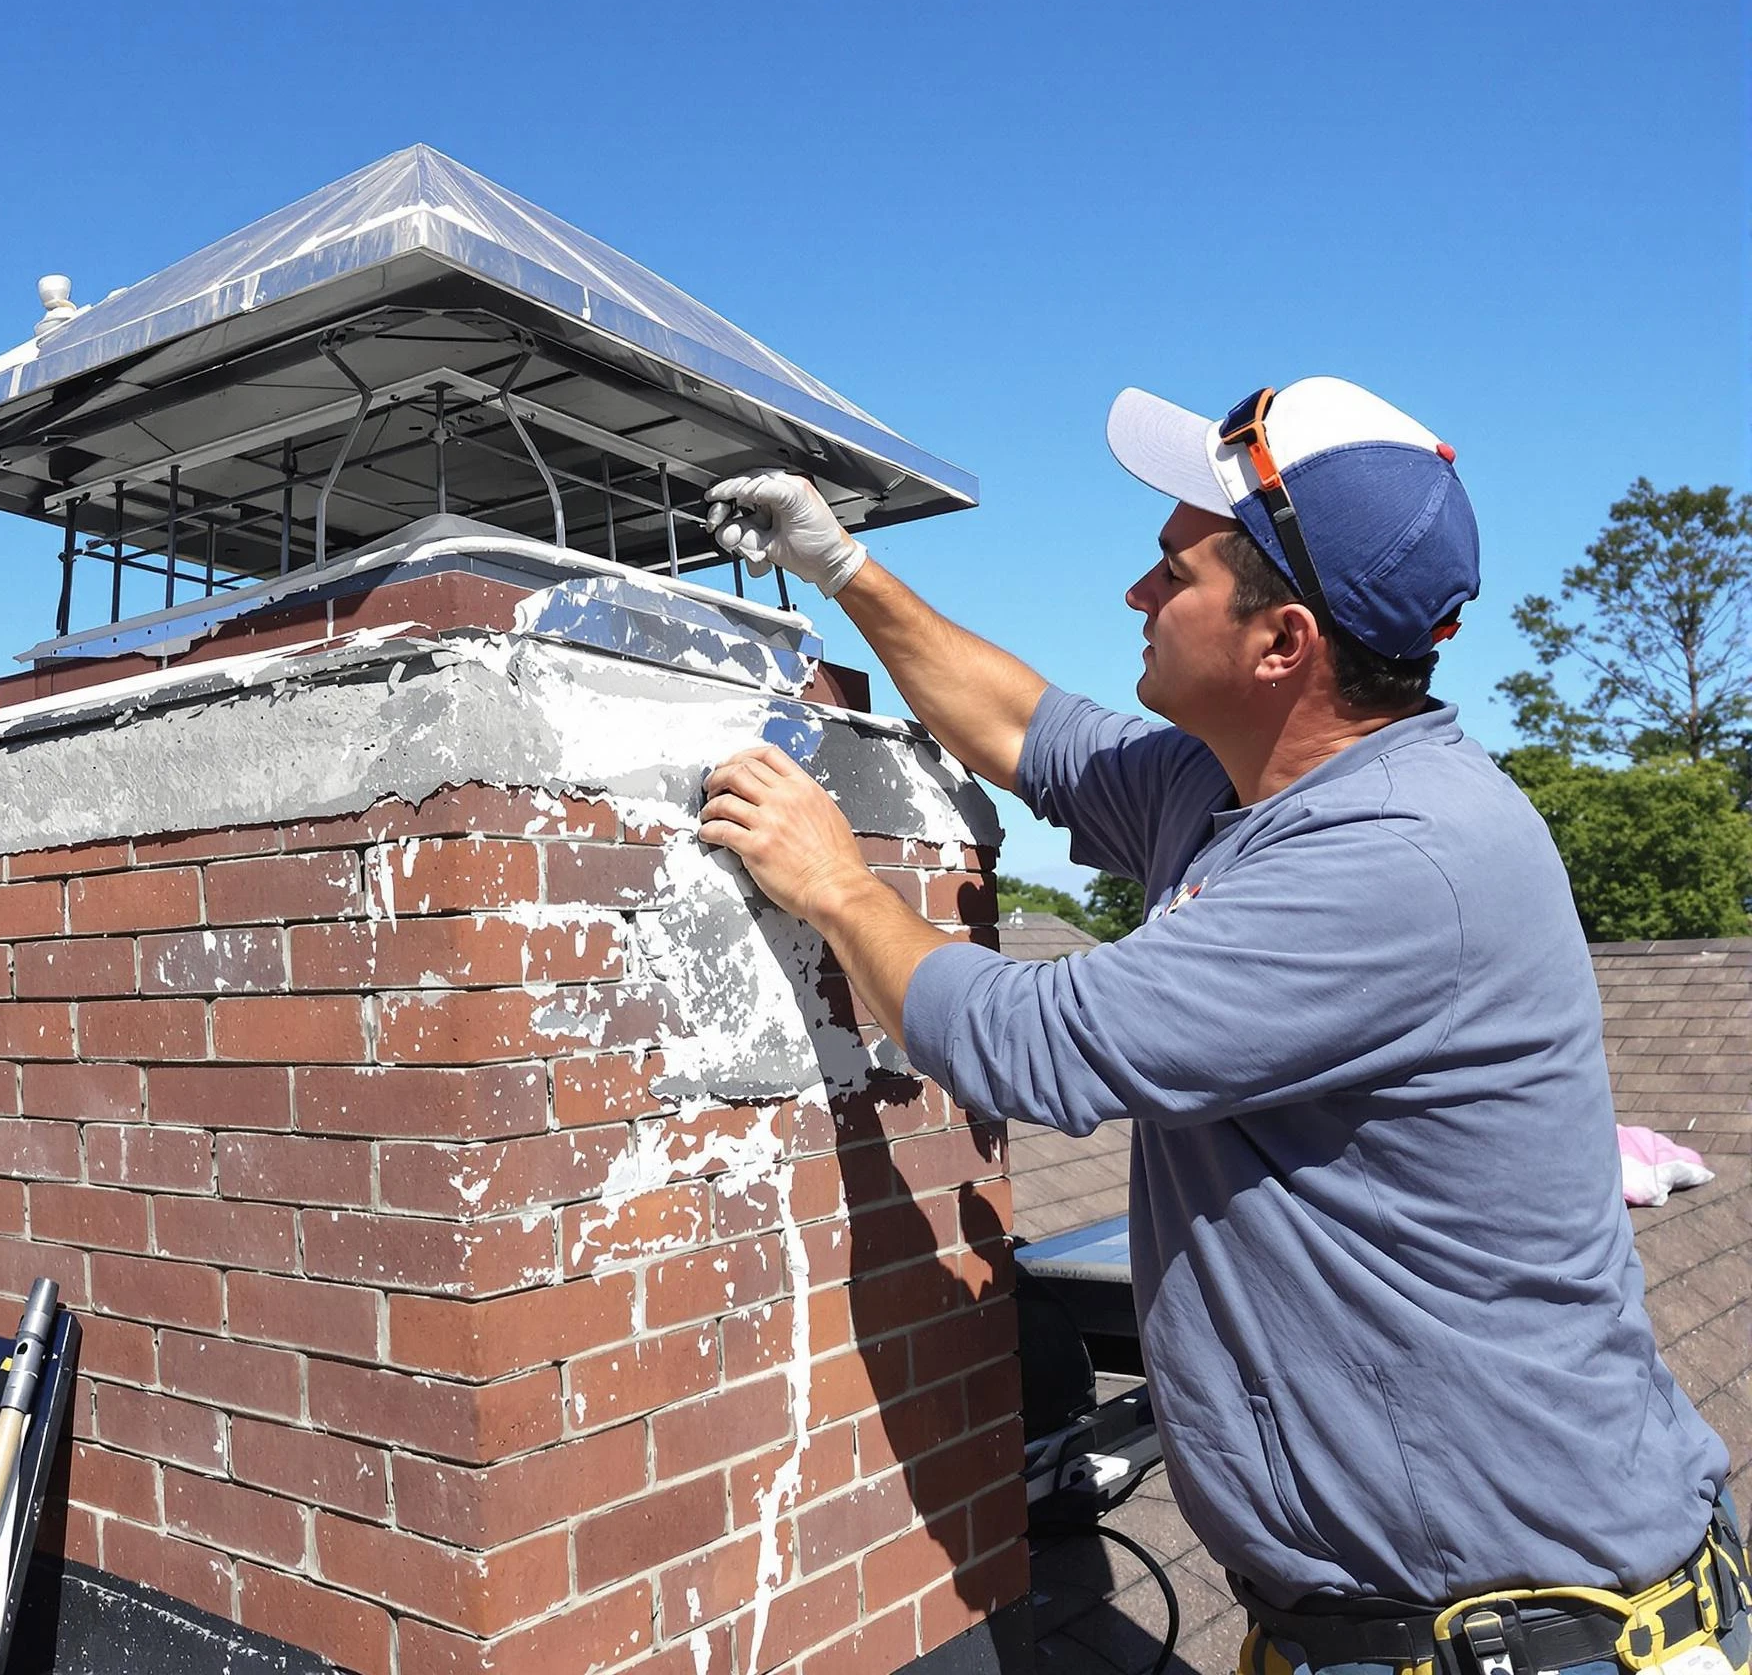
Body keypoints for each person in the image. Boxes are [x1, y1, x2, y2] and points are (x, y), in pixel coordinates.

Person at [697, 379, 1747, 1675]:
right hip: (1377, 1629)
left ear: (1281, 643)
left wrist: (833, 882)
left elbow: (1036, 1040)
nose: (1138, 596)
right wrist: (844, 565)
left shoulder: (1402, 858)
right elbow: (1027, 727)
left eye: (1172, 570)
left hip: (1536, 1639)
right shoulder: (1236, 784)